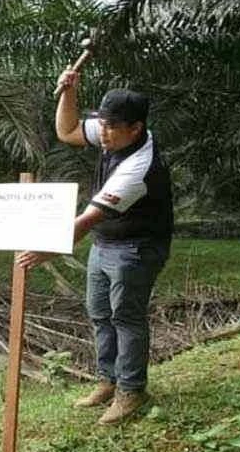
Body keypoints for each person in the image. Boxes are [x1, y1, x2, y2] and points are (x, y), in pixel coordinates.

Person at [17, 69, 173, 425]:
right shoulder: (110, 134)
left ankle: (131, 391)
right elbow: (67, 131)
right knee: (100, 313)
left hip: (137, 248)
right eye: (101, 123)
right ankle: (108, 381)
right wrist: (68, 93)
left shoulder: (139, 166)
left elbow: (86, 221)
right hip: (108, 242)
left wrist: (46, 249)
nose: (102, 132)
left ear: (136, 129)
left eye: (112, 127)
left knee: (126, 317)